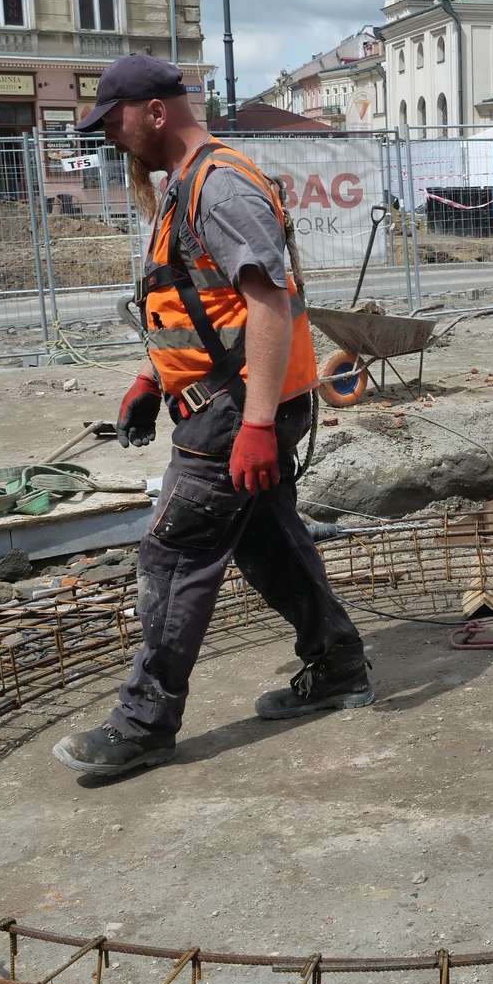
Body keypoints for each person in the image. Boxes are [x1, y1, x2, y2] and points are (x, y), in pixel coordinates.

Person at [52, 55, 372, 779]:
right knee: (267, 544)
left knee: (173, 557)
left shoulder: (220, 187)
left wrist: (256, 423)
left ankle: (143, 724)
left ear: (155, 111)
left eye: (116, 120)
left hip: (233, 414)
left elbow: (267, 302)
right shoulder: (184, 187)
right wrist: (147, 378)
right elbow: (199, 309)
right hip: (229, 404)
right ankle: (339, 666)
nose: (111, 137)